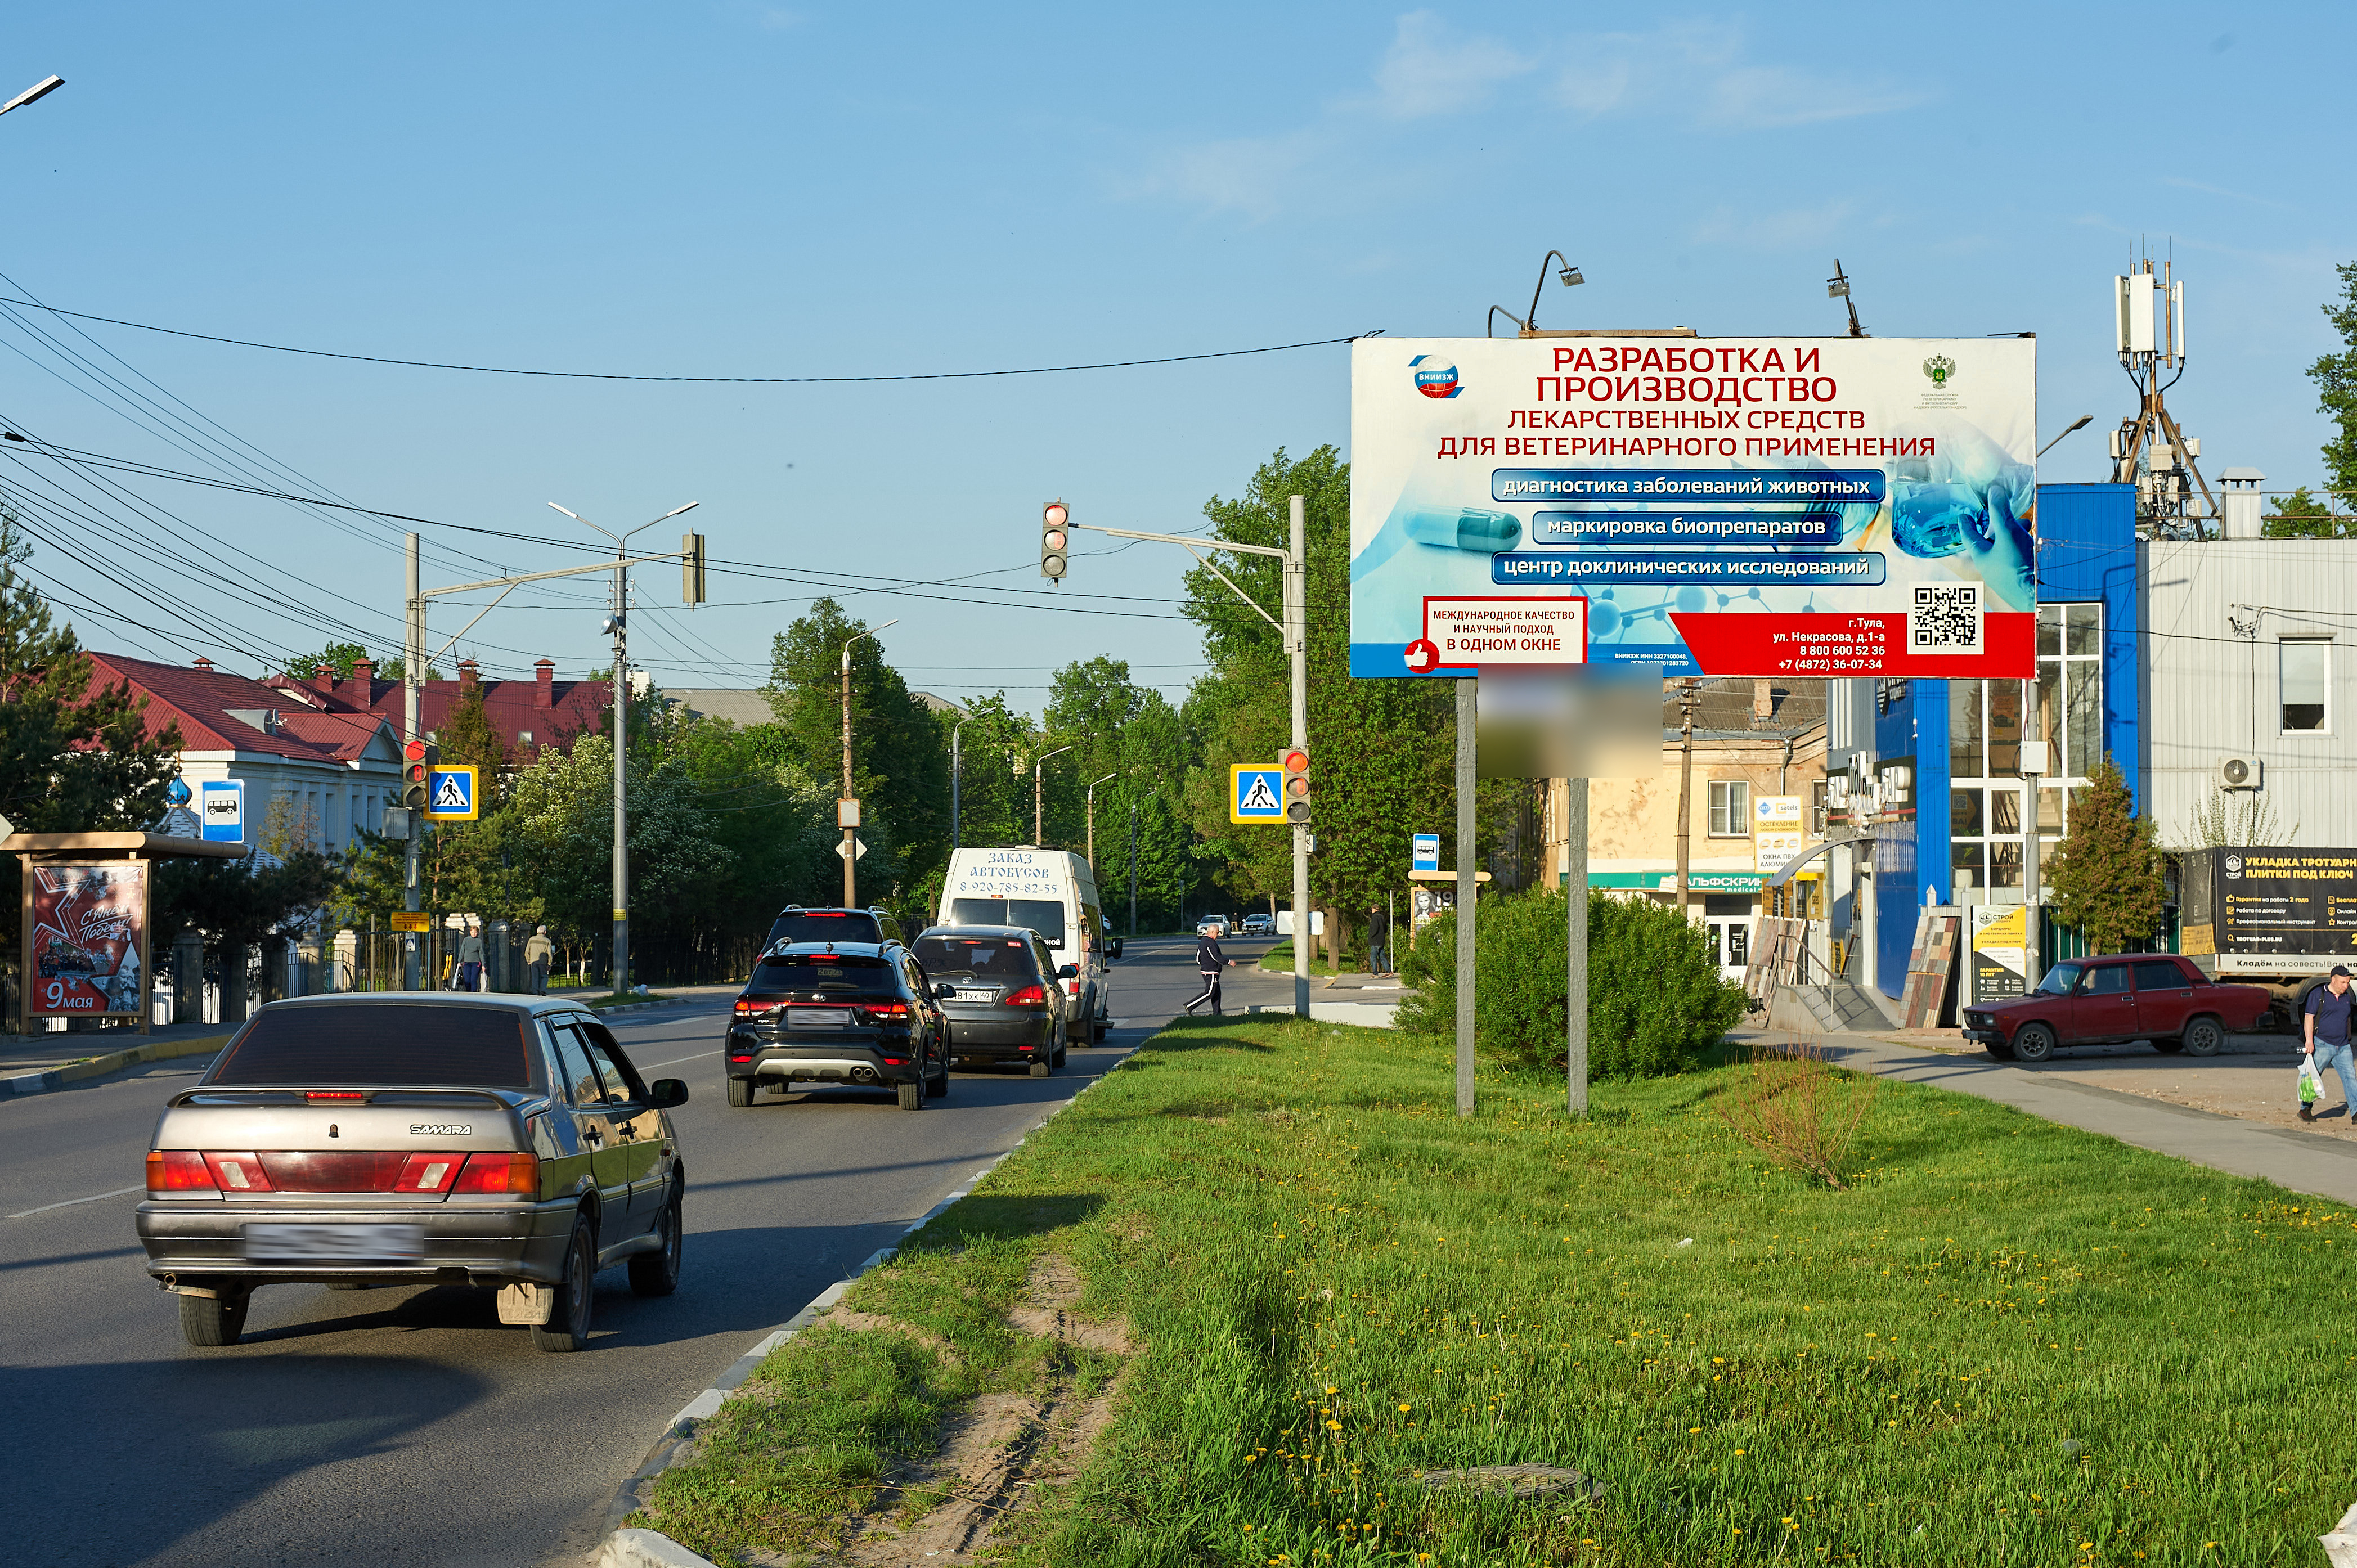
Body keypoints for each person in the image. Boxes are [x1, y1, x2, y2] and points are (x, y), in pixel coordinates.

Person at [2304, 965, 2357, 1123]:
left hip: (2343, 1046)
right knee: (2313, 1077)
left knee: (2350, 1078)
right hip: (2322, 1044)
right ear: (2333, 979)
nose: (2346, 986)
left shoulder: (2347, 996)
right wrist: (2309, 1041)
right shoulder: (2318, 994)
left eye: (2347, 983)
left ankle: (2355, 1112)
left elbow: (2347, 1018)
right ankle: (2305, 1108)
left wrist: (2348, 1038)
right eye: (2343, 982)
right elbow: (2309, 1017)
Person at [1184, 923, 1235, 1016]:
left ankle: (1217, 1014)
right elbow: (1216, 957)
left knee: (1216, 993)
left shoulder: (1203, 942)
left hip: (1207, 971)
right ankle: (1189, 1005)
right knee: (1209, 993)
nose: (1218, 935)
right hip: (1211, 972)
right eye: (1217, 932)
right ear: (1212, 932)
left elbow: (1198, 958)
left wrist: (1204, 965)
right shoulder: (1210, 943)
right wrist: (1229, 962)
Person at [455, 922, 486, 994]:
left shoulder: (479, 941)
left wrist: (483, 965)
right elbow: (462, 951)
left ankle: (473, 994)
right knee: (467, 980)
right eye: (472, 932)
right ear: (470, 932)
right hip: (467, 963)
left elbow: (481, 953)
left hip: (476, 963)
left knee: (473, 980)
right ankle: (468, 993)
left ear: (478, 933)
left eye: (475, 932)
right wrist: (459, 961)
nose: (474, 934)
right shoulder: (466, 940)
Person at [524, 925, 554, 996]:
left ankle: (535, 992)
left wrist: (529, 961)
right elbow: (550, 954)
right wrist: (549, 964)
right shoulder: (547, 941)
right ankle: (543, 990)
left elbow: (527, 952)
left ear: (537, 932)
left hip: (533, 962)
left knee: (535, 977)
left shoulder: (532, 939)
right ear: (545, 932)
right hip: (543, 963)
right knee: (544, 976)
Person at [1367, 904, 1391, 977]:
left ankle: (1375, 973)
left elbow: (1375, 928)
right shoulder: (1382, 917)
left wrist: (1371, 936)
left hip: (1375, 940)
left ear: (1374, 909)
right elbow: (1386, 928)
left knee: (1373, 957)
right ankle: (1389, 971)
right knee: (1382, 956)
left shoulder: (1375, 917)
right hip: (1382, 940)